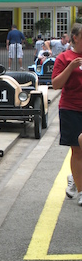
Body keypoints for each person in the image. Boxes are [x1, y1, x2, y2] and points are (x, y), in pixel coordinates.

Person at [51, 23, 82, 206]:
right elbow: (56, 84)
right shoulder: (65, 57)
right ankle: (81, 190)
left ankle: (75, 177)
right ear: (75, 38)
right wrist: (70, 68)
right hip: (71, 109)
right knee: (77, 150)